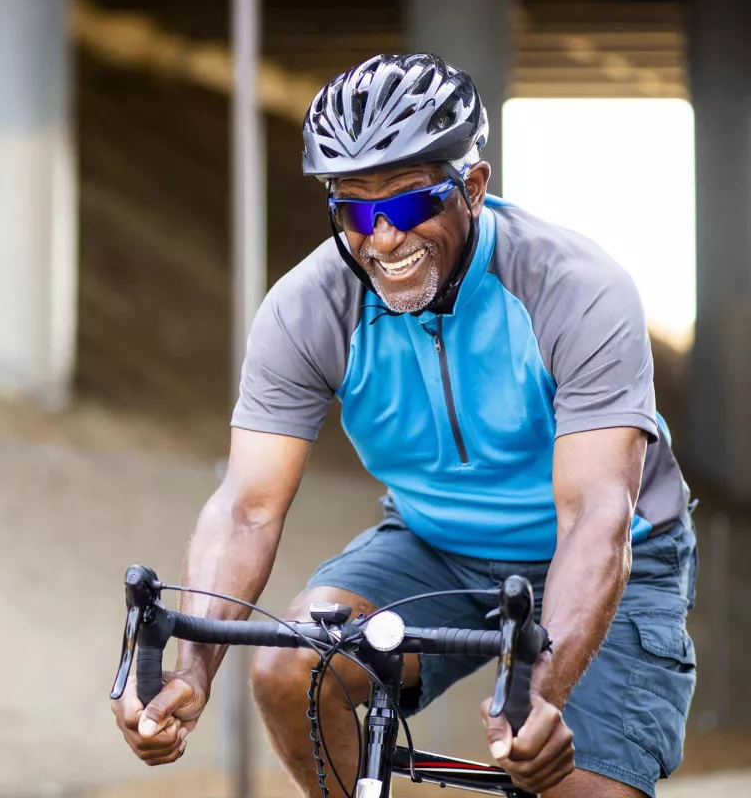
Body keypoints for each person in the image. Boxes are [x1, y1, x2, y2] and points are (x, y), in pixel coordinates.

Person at [112, 53, 697, 798]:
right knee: (294, 668)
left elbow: (593, 513)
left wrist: (540, 695)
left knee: (571, 783)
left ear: (473, 188)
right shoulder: (309, 308)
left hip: (610, 553)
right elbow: (246, 506)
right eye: (356, 211)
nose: (384, 238)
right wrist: (189, 669)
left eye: (411, 204)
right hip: (435, 545)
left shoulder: (574, 288)